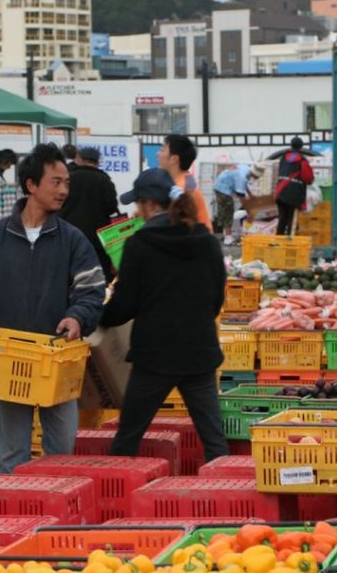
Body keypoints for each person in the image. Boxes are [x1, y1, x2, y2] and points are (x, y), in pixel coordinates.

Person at [0, 143, 106, 473]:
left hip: (57, 358)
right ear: (31, 185)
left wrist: (77, 317)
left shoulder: (72, 239)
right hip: (9, 359)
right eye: (56, 182)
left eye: (66, 182)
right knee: (11, 453)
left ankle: (57, 515)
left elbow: (91, 290)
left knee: (61, 452)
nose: (64, 190)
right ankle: (16, 518)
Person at [99, 167, 228, 462]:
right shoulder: (207, 241)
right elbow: (215, 300)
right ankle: (225, 494)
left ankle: (117, 497)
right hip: (199, 353)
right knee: (214, 440)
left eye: (137, 203)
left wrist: (96, 316)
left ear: (148, 204)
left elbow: (124, 307)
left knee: (128, 437)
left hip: (154, 357)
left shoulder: (139, 245)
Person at [61, 146, 120, 283]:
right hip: (97, 241)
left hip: (69, 237)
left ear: (79, 159)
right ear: (97, 162)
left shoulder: (69, 179)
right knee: (96, 279)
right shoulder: (104, 180)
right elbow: (112, 208)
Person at [156, 134, 212, 230]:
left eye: (162, 150)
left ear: (174, 159)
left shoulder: (181, 188)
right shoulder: (186, 180)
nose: (157, 154)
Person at [213, 163, 262, 245]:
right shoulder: (243, 176)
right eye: (258, 176)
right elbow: (241, 197)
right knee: (228, 211)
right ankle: (228, 238)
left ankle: (226, 233)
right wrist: (249, 212)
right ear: (255, 174)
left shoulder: (246, 169)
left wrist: (251, 195)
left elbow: (243, 185)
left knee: (225, 210)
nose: (258, 178)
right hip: (223, 189)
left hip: (220, 185)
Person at [275, 136, 314, 235]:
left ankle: (278, 242)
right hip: (294, 194)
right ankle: (290, 243)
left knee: (282, 218)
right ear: (301, 147)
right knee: (292, 221)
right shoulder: (302, 161)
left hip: (280, 191)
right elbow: (308, 178)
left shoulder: (283, 158)